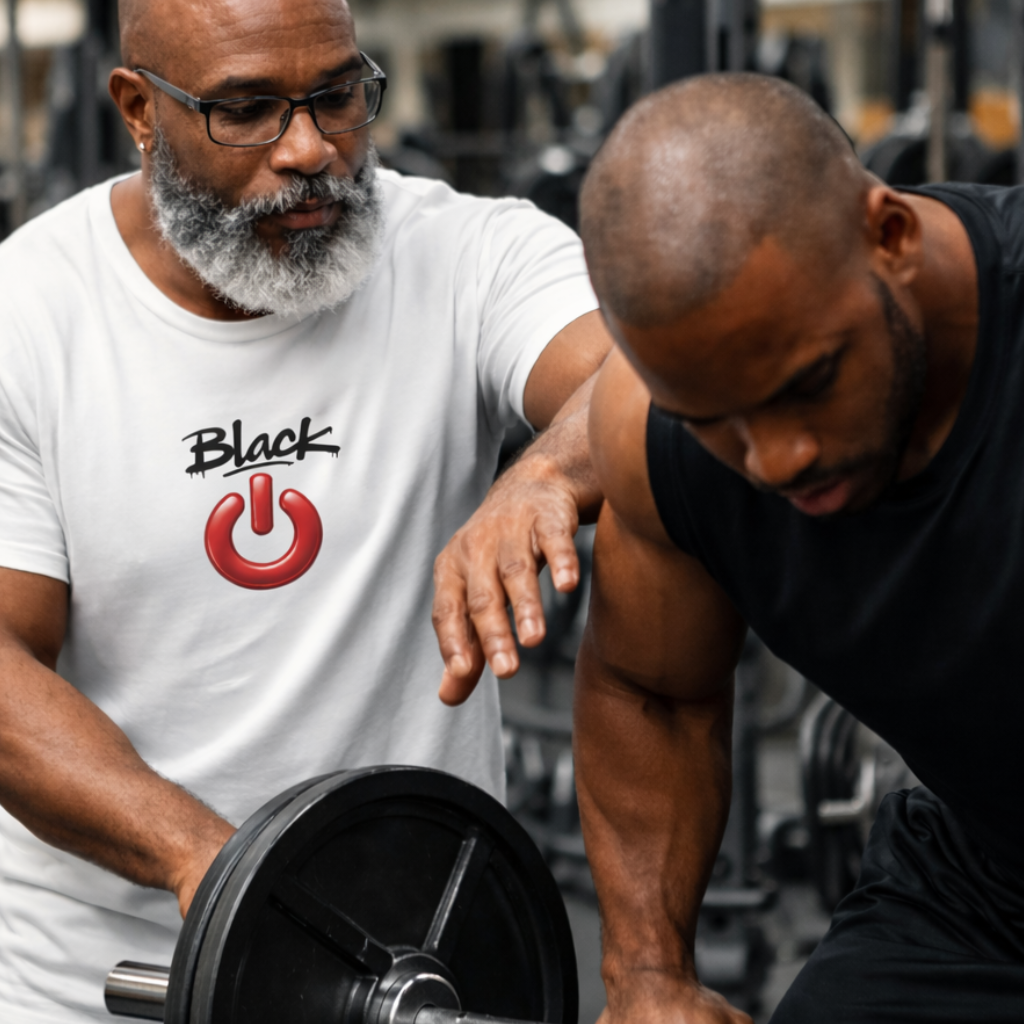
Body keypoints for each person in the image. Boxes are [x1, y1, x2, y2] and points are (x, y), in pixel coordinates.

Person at [0, 0, 610, 1019]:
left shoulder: (466, 253)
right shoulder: (26, 316)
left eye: (337, 95)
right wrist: (217, 866)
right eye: (245, 110)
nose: (309, 149)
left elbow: (640, 381)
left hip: (415, 959)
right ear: (139, 110)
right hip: (98, 980)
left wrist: (546, 470)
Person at [445, 72, 1024, 1022]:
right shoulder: (653, 443)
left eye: (810, 382)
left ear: (890, 236)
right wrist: (648, 974)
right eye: (714, 418)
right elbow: (654, 692)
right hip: (983, 887)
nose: (778, 459)